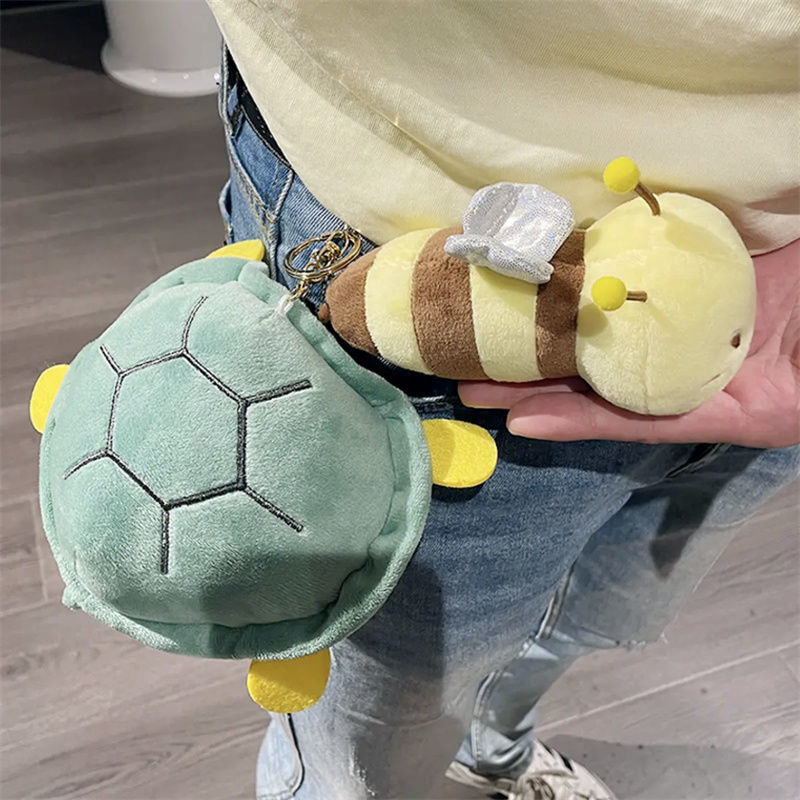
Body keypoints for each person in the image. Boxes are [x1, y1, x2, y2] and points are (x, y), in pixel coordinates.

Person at [205, 3, 800, 798]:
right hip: (413, 225)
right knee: (384, 710)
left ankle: (493, 754)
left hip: (775, 303)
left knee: (599, 606)